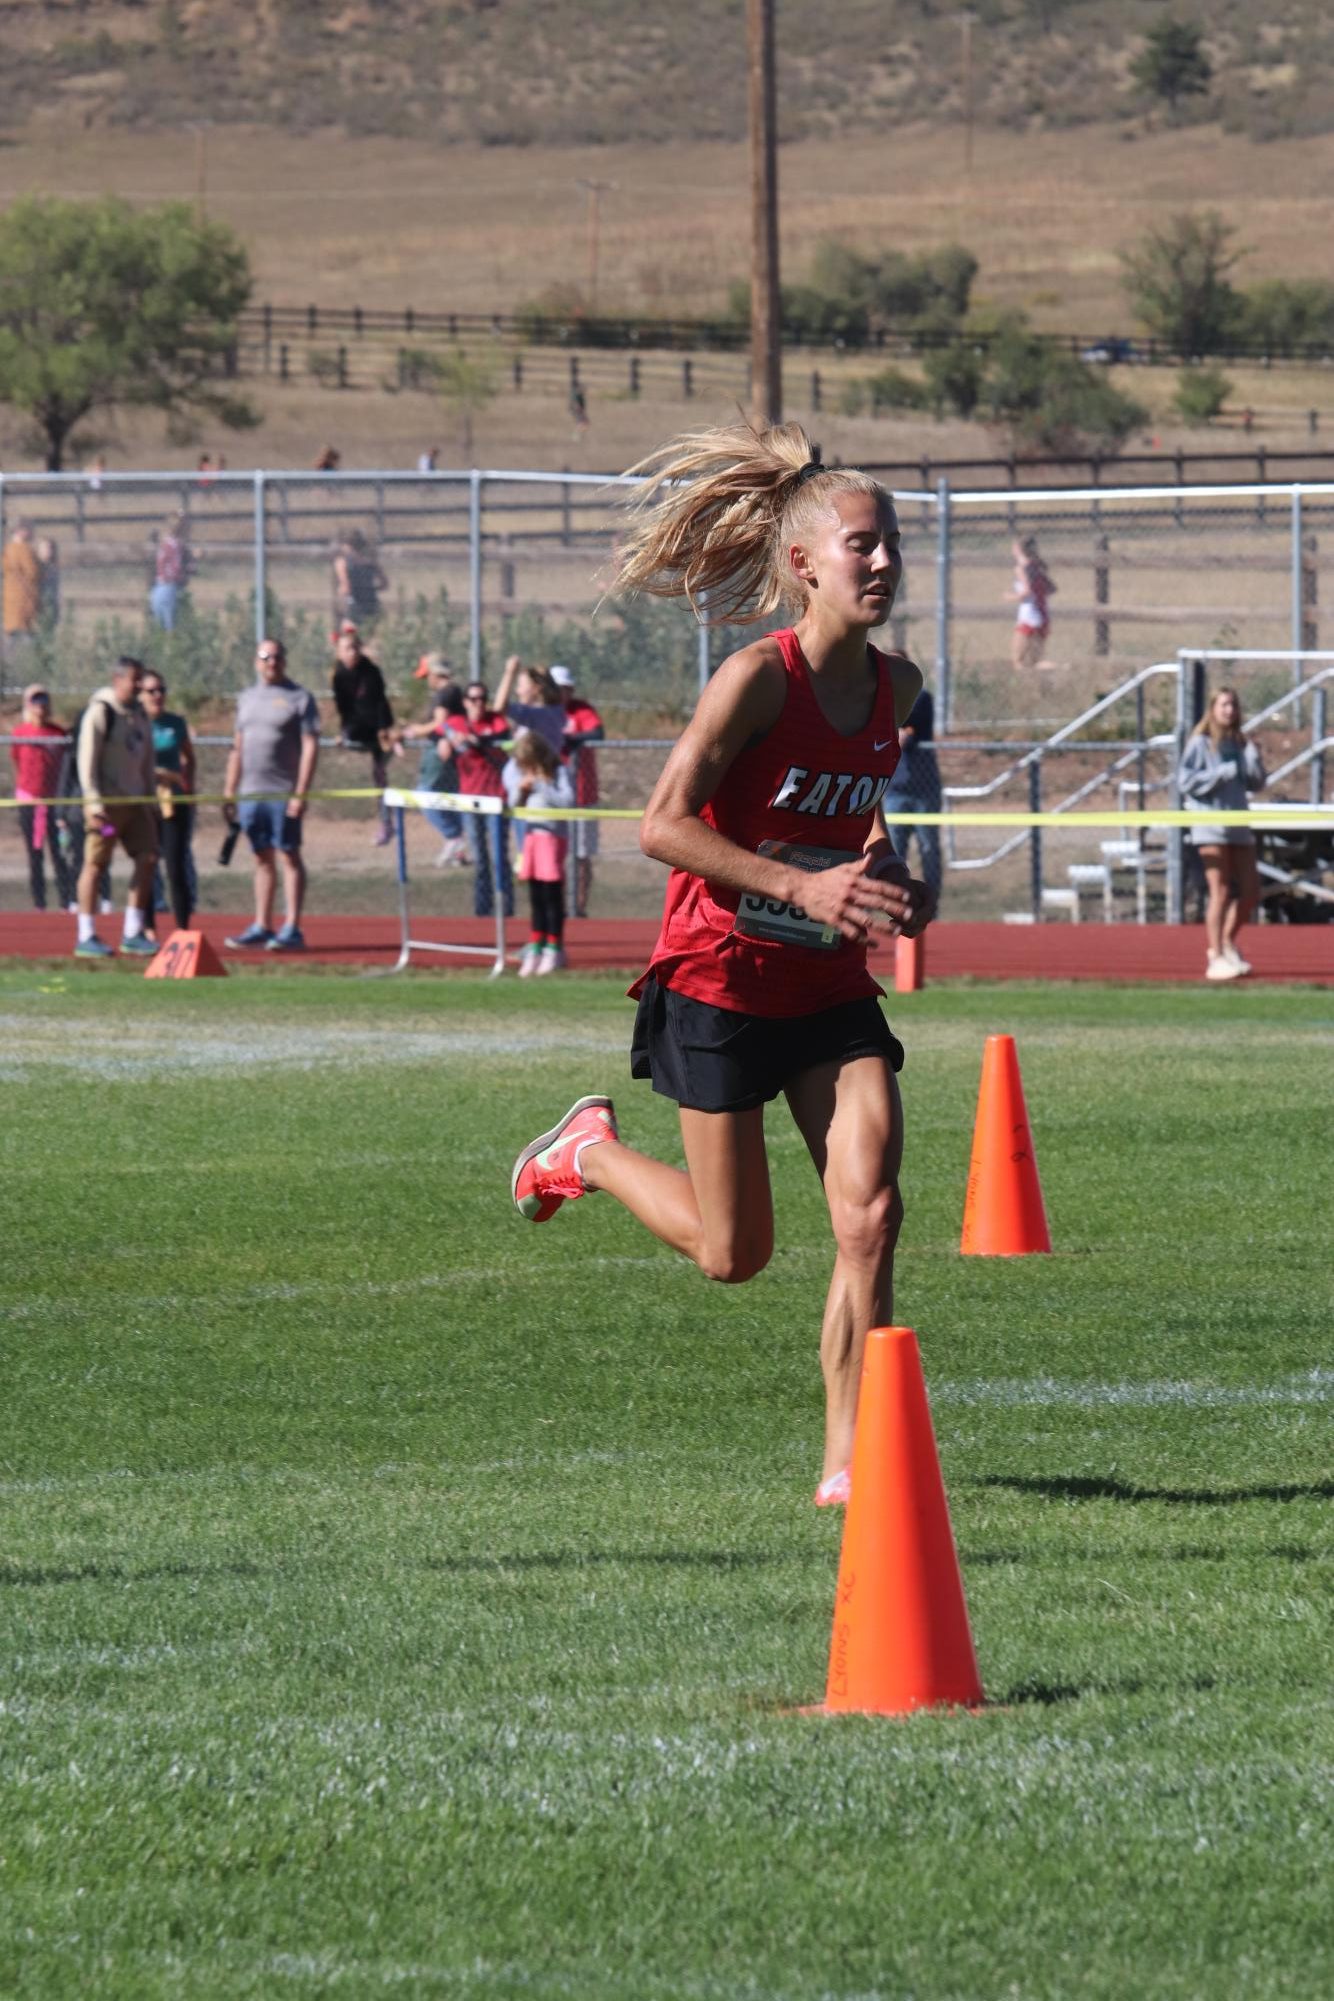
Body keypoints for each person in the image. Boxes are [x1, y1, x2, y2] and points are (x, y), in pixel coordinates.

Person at [510, 422, 934, 1508]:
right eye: (860, 544)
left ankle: (848, 1459)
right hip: (717, 981)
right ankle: (588, 1152)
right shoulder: (755, 679)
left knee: (869, 1213)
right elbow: (657, 825)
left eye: (889, 542)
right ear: (803, 563)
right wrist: (798, 888)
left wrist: (890, 876)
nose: (881, 561)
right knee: (731, 1254)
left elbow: (858, 824)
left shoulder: (900, 689)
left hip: (827, 987)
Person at [222, 638, 320, 952]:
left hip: (282, 792)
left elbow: (310, 747)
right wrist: (229, 791)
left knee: (288, 855)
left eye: (277, 657)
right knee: (261, 858)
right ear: (256, 661)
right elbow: (237, 747)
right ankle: (262, 925)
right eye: (266, 657)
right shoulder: (246, 699)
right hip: (251, 794)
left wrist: (300, 793)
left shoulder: (299, 698)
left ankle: (292, 926)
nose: (271, 662)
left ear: (285, 661)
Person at [1178, 686, 1266, 982]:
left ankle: (1227, 941)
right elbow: (1185, 780)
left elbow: (1255, 783)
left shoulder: (1240, 743)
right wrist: (1219, 774)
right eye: (1224, 705)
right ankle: (1215, 954)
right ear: (1213, 708)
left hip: (1238, 825)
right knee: (1221, 891)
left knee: (1251, 891)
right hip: (1211, 826)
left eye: (1233, 705)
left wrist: (1253, 758)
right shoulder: (1200, 744)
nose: (1229, 710)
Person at [73, 654, 159, 959]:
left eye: (141, 680)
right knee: (96, 863)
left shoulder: (140, 714)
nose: (139, 686)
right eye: (134, 680)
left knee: (148, 858)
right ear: (118, 680)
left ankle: (133, 931)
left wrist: (150, 799)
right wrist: (93, 802)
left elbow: (147, 759)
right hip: (107, 808)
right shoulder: (101, 711)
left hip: (135, 804)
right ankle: (86, 933)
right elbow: (87, 760)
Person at [503, 730, 575, 975]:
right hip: (532, 837)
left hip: (552, 838)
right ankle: (537, 945)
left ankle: (554, 949)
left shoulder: (558, 771)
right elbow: (513, 803)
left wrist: (542, 786)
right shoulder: (523, 774)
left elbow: (567, 801)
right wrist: (522, 791)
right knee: (536, 896)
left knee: (551, 895)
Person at [444, 678, 513, 918]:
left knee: (499, 857)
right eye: (473, 699)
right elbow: (440, 730)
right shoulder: (456, 722)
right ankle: (482, 912)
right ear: (465, 702)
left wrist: (476, 741)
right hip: (470, 800)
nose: (478, 704)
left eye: (482, 699)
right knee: (480, 858)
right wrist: (444, 742)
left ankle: (506, 909)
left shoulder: (495, 721)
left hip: (496, 799)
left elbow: (503, 736)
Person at [140, 671, 198, 931]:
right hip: (144, 803)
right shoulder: (134, 724)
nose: (158, 695)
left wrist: (188, 787)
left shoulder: (175, 723)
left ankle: (183, 929)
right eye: (151, 691)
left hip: (172, 802)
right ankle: (148, 930)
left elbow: (189, 757)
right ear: (140, 694)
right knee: (147, 865)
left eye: (161, 690)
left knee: (175, 866)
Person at [10, 684, 75, 912]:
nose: (40, 706)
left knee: (59, 854)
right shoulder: (20, 733)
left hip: (54, 803)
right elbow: (17, 760)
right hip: (29, 801)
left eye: (43, 700)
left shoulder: (58, 734)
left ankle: (67, 901)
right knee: (34, 855)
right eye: (35, 701)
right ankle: (40, 904)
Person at [331, 623, 397, 844]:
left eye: (355, 647)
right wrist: (344, 731)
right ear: (339, 652)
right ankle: (384, 821)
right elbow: (344, 708)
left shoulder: (371, 672)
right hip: (356, 727)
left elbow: (379, 703)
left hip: (375, 727)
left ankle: (387, 823)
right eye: (347, 648)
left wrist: (383, 729)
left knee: (380, 776)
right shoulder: (339, 675)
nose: (352, 652)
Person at [400, 653, 467, 864]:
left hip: (439, 753)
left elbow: (441, 723)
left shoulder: (445, 693)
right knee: (449, 797)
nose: (427, 680)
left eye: (428, 675)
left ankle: (453, 837)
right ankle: (458, 847)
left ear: (436, 673)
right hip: (447, 751)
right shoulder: (452, 692)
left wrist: (417, 730)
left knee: (424, 793)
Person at [551, 663, 604, 917]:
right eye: (557, 688)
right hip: (552, 796)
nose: (562, 693)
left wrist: (571, 740)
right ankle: (558, 907)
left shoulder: (581, 710)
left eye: (565, 688)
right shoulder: (543, 713)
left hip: (583, 795)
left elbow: (598, 731)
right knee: (555, 856)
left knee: (582, 855)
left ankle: (579, 907)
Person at [881, 683, 942, 905]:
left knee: (928, 848)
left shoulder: (921, 697)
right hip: (895, 791)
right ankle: (896, 902)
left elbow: (908, 722)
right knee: (894, 850)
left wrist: (901, 729)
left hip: (924, 793)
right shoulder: (877, 696)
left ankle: (930, 903)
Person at [492, 654, 568, 759]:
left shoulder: (537, 714)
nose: (517, 691)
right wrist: (508, 745)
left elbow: (499, 707)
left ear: (536, 688)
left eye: (520, 686)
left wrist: (510, 672)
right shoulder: (556, 711)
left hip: (532, 772)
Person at [1009, 535, 1055, 671]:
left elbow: (1027, 592)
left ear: (1018, 549)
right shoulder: (1037, 567)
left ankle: (1062, 669)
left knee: (1018, 661)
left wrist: (1010, 597)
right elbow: (1051, 589)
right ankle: (1062, 670)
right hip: (1042, 615)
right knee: (1036, 662)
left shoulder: (1021, 569)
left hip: (1028, 615)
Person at [3, 521, 41, 669]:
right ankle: (31, 665)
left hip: (12, 600)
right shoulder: (23, 550)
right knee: (26, 637)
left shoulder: (8, 550)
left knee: (12, 636)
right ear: (20, 531)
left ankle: (9, 666)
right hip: (24, 600)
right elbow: (33, 572)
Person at [332, 529, 387, 630]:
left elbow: (346, 588)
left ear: (347, 545)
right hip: (373, 605)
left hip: (356, 607)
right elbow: (384, 584)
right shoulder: (370, 562)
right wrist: (369, 588)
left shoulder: (342, 562)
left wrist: (340, 594)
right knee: (367, 638)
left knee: (348, 639)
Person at [149, 514, 191, 631]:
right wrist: (187, 573)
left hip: (158, 588)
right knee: (171, 631)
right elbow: (176, 569)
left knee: (159, 628)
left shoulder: (163, 544)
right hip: (170, 589)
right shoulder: (175, 546)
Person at [35, 536, 60, 632]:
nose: (47, 551)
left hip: (51, 606)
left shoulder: (54, 568)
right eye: (44, 548)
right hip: (39, 607)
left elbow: (56, 591)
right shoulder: (35, 568)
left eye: (50, 548)